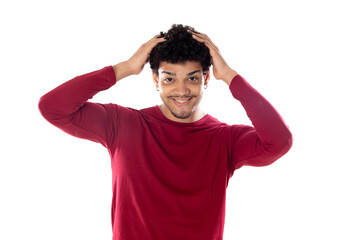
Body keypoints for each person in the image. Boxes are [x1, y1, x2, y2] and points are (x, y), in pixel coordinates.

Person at [38, 24, 293, 240]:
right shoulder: (123, 124)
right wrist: (124, 67)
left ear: (206, 79)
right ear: (155, 80)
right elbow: (53, 108)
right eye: (169, 78)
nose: (181, 90)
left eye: (192, 78)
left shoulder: (225, 139)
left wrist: (229, 76)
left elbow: (279, 142)